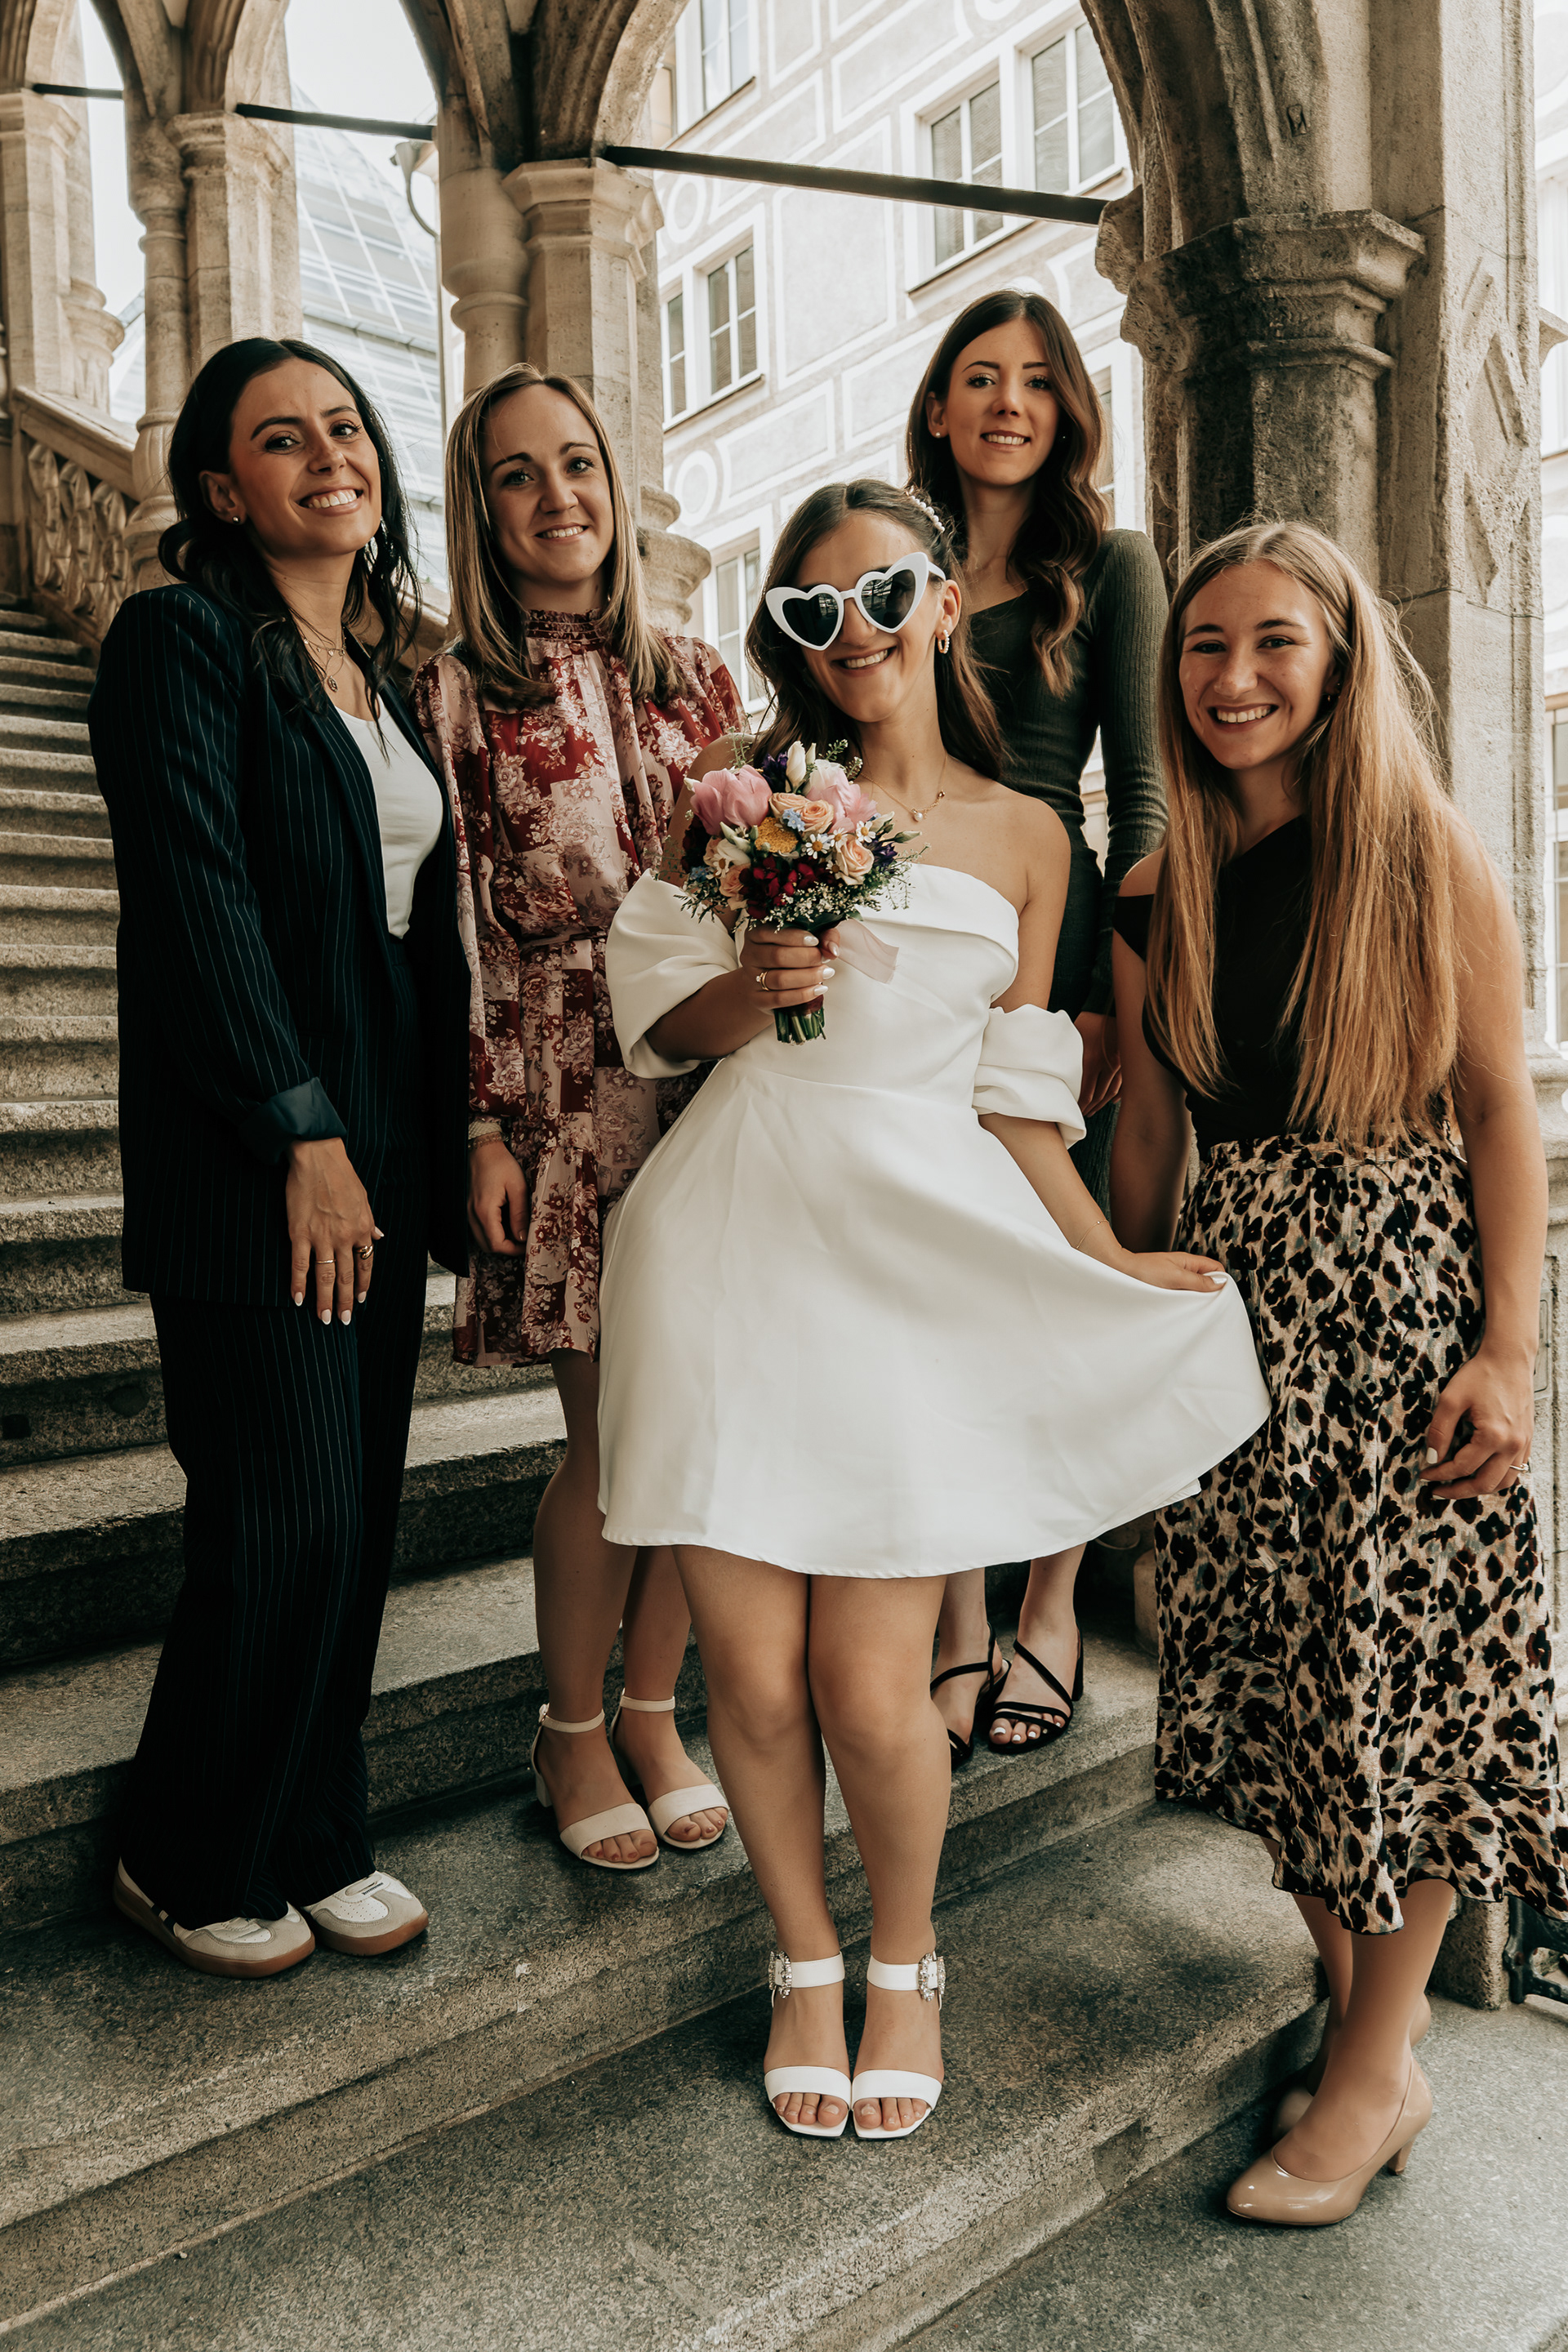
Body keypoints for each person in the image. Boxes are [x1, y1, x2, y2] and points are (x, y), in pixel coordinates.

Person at [594, 478, 1270, 2140]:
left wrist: (1105, 1263)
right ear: (788, 635)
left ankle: (906, 1961)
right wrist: (746, 987)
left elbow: (1020, 1100)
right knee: (754, 1681)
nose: (858, 632)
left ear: (946, 601)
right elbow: (653, 1017)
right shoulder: (740, 790)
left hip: (910, 1267)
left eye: (887, 593)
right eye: (814, 610)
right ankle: (803, 1961)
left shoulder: (1032, 837)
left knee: (870, 1681)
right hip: (733, 1243)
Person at [1110, 519, 1568, 2224]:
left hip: (1403, 1305)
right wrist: (1107, 1318)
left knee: (1408, 1689)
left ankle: (1372, 2070)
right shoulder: (1155, 888)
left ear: (1340, 659)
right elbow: (1145, 1134)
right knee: (1268, 1681)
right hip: (1231, 1312)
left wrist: (1510, 1351)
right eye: (1205, 645)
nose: (1233, 677)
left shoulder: (1420, 854)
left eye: (1274, 643)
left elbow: (1502, 1111)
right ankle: (1376, 2029)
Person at [91, 339, 470, 1977]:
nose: (330, 455)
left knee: (358, 1517)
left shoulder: (385, 680)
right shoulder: (180, 639)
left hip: (378, 1148)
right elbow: (199, 902)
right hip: (255, 1153)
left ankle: (314, 1831)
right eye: (281, 438)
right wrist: (299, 1128)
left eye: (346, 427)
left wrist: (443, 1138)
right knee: (285, 1518)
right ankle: (183, 1854)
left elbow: (417, 935)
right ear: (221, 488)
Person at [414, 363, 742, 1874]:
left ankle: (656, 1714)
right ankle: (570, 1729)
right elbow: (458, 927)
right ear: (481, 510)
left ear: (617, 483)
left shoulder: (698, 676)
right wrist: (483, 1125)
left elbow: (753, 880)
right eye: (517, 473)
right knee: (614, 1438)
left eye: (579, 463)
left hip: (711, 1079)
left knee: (701, 1424)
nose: (559, 496)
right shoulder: (455, 688)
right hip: (565, 1079)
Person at [906, 288, 1169, 1766]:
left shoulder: (1110, 567)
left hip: (1058, 959)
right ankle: (960, 1607)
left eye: (1037, 380)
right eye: (980, 377)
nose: (1009, 403)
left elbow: (1144, 804)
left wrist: (1112, 1000)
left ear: (1070, 408)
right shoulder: (906, 562)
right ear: (940, 407)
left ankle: (1053, 1604)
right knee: (947, 1289)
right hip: (925, 963)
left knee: (1060, 1286)